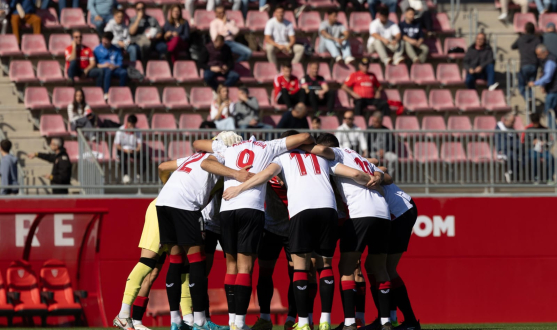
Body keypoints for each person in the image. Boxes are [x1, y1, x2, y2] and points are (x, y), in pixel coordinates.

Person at [220, 131, 376, 330]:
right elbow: (356, 166)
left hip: (296, 221)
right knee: (271, 272)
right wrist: (373, 173)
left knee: (302, 270)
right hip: (275, 226)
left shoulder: (280, 160)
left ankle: (295, 318)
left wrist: (238, 186)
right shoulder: (284, 159)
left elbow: (264, 175)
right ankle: (268, 317)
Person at [194, 131, 315, 330]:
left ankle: (236, 321)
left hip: (229, 209)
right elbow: (305, 136)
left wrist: (232, 169)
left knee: (232, 265)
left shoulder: (231, 148)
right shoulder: (270, 148)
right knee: (249, 268)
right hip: (257, 213)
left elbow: (202, 153)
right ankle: (246, 322)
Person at [155, 132, 250, 330]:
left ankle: (175, 321)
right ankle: (199, 322)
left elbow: (163, 167)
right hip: (185, 204)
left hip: (164, 200)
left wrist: (171, 188)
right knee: (197, 261)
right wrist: (236, 174)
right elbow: (210, 165)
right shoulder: (223, 154)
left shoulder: (193, 156)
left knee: (175, 260)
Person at [309, 133, 391, 330]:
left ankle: (349, 323)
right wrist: (377, 176)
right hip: (383, 214)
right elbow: (384, 173)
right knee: (379, 268)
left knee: (346, 268)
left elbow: (354, 174)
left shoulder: (333, 157)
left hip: (360, 214)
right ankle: (387, 322)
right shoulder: (357, 157)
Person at [113, 199, 180, 330]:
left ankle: (136, 322)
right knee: (146, 263)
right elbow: (164, 177)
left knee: (152, 274)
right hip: (164, 208)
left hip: (177, 211)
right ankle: (123, 314)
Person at [374, 164, 420, 330]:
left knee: (384, 269)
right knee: (382, 268)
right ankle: (390, 318)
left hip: (399, 212)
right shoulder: (356, 160)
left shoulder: (347, 163)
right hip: (404, 207)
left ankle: (406, 321)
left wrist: (378, 176)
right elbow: (383, 169)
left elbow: (385, 173)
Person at [92, 32, 129, 99]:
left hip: (114, 68)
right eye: (103, 39)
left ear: (110, 41)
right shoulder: (97, 49)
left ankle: (121, 92)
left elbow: (120, 63)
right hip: (103, 68)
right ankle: (106, 92)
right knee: (108, 71)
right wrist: (104, 65)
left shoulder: (116, 50)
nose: (104, 41)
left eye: (106, 40)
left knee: (123, 72)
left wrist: (114, 66)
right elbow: (94, 64)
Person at [511, 22, 541, 100]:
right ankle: (530, 100)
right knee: (531, 85)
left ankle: (527, 98)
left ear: (525, 29)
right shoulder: (537, 40)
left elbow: (512, 47)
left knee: (521, 86)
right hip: (534, 65)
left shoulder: (521, 39)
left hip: (524, 65)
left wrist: (520, 36)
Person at [114, 115, 147, 184]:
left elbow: (139, 144)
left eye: (133, 125)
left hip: (133, 150)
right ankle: (125, 176)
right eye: (131, 124)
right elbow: (117, 145)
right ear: (127, 123)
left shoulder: (137, 130)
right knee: (121, 156)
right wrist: (125, 150)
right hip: (123, 150)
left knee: (145, 156)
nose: (132, 126)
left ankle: (138, 176)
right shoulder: (120, 130)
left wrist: (136, 150)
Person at [523, 113, 555, 183]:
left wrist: (545, 143)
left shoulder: (545, 129)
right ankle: (535, 177)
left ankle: (549, 178)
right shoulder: (528, 129)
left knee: (550, 157)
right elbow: (524, 142)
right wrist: (532, 142)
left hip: (542, 150)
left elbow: (550, 142)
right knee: (534, 157)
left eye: (536, 122)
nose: (535, 124)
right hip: (532, 150)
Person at [529, 44, 557, 114]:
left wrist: (535, 83)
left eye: (540, 54)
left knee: (549, 112)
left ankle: (551, 125)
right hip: (552, 89)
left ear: (546, 52)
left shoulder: (550, 61)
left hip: (554, 91)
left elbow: (548, 76)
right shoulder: (548, 60)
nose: (538, 57)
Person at [368, 111, 397, 176]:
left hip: (386, 152)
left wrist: (384, 150)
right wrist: (376, 151)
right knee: (373, 158)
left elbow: (392, 144)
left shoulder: (386, 130)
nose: (374, 123)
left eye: (376, 122)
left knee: (394, 158)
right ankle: (376, 176)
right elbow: (367, 145)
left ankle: (389, 177)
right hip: (373, 152)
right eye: (373, 121)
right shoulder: (369, 130)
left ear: (381, 121)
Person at [495, 113, 520, 183]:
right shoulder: (499, 128)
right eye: (511, 122)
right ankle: (512, 176)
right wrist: (512, 144)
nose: (513, 124)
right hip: (504, 150)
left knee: (524, 156)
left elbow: (517, 142)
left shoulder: (513, 129)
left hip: (514, 150)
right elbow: (502, 142)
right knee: (511, 156)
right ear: (505, 120)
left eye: (513, 122)